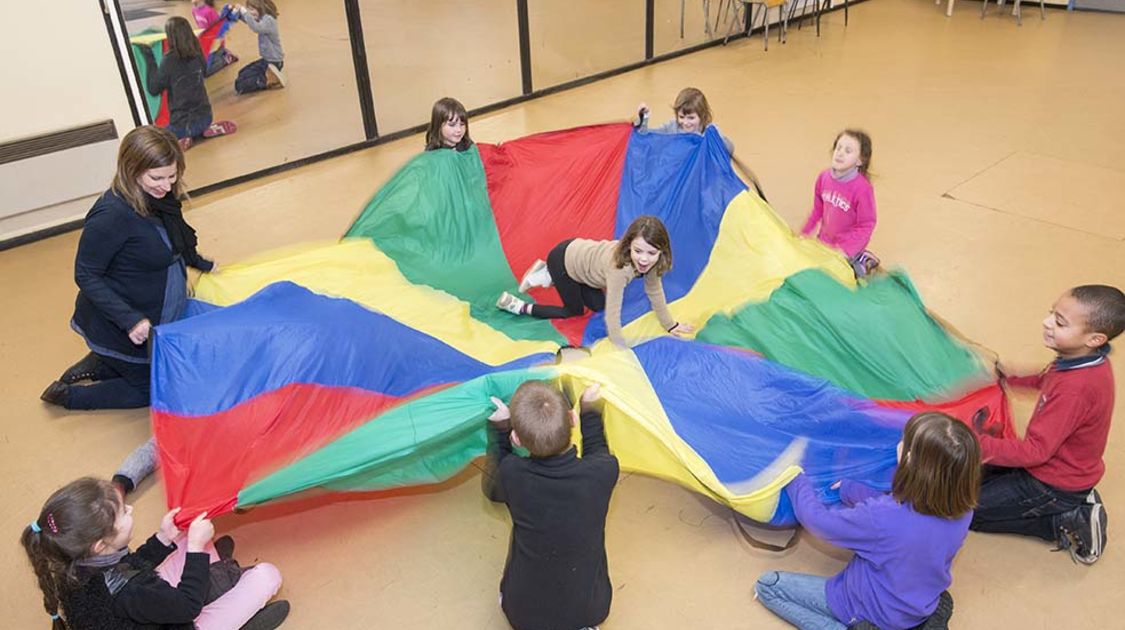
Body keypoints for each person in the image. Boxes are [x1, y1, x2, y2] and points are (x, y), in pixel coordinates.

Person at [41, 125, 217, 410]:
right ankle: (68, 396)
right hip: (120, 323)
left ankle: (104, 363)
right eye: (157, 177)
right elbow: (85, 273)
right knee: (153, 390)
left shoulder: (161, 198)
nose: (167, 185)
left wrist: (201, 264)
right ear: (131, 170)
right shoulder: (112, 215)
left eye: (173, 175)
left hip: (155, 313)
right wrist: (130, 319)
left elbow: (175, 240)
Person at [756, 412, 979, 630]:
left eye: (904, 441)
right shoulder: (962, 511)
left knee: (768, 585)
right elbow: (901, 511)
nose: (899, 444)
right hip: (918, 606)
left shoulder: (883, 518)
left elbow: (817, 521)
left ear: (910, 459)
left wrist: (796, 478)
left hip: (869, 611)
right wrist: (849, 489)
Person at [970, 284, 1123, 564]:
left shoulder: (1075, 389)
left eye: (1060, 322)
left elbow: (1036, 451)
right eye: (1052, 313)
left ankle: (1067, 520)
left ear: (1094, 338)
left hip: (1052, 483)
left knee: (968, 512)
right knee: (974, 477)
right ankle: (1072, 497)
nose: (1047, 322)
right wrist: (1010, 379)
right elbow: (1046, 381)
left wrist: (974, 441)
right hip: (1056, 466)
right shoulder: (1079, 359)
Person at [20, 477, 288, 629]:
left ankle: (213, 569)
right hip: (180, 619)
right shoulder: (130, 591)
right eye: (124, 512)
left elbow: (131, 565)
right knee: (268, 575)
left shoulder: (73, 562)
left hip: (148, 608)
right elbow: (186, 608)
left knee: (184, 537)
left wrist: (163, 538)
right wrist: (195, 551)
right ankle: (230, 601)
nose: (132, 510)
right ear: (100, 545)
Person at [487, 381, 618, 630]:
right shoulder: (603, 472)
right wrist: (590, 410)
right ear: (572, 419)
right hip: (588, 610)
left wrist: (501, 430)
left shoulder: (514, 476)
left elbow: (496, 483)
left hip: (523, 615)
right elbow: (598, 452)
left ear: (517, 439)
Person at [495, 215, 694, 348]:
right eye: (638, 251)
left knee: (597, 305)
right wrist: (620, 346)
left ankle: (549, 275)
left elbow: (655, 291)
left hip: (584, 265)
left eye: (651, 253)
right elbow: (613, 313)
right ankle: (521, 305)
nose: (644, 259)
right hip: (563, 261)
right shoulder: (619, 268)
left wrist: (670, 325)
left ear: (661, 251)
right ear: (628, 246)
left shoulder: (650, 262)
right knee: (573, 311)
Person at [138, 17, 236, 151]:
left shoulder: (169, 60)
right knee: (194, 119)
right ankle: (201, 131)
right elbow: (205, 72)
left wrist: (149, 57)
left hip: (181, 125)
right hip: (206, 117)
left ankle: (184, 137)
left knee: (155, 137)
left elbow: (154, 88)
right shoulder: (197, 52)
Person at [800, 129, 878, 277]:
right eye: (838, 148)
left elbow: (867, 224)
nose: (840, 153)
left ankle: (861, 259)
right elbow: (817, 210)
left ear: (860, 160)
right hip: (825, 240)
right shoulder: (823, 178)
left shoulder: (862, 189)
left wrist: (846, 250)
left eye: (848, 151)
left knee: (843, 279)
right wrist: (804, 233)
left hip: (848, 245)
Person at [634, 87, 734, 154]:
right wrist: (642, 120)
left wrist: (717, 140)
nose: (685, 123)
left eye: (691, 118)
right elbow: (648, 138)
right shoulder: (673, 127)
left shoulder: (708, 131)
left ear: (702, 116)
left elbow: (729, 149)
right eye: (681, 117)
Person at [233, 0, 286, 94]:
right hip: (266, 60)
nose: (250, 13)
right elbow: (251, 21)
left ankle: (268, 80)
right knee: (242, 73)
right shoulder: (263, 19)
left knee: (240, 85)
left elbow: (256, 27)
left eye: (252, 9)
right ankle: (269, 76)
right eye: (249, 10)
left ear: (260, 8)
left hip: (273, 61)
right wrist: (239, 14)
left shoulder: (269, 20)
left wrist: (244, 12)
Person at [191, 0, 239, 76]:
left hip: (215, 44)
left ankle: (226, 58)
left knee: (205, 72)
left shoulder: (209, 11)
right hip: (205, 43)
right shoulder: (194, 10)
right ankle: (222, 54)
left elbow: (219, 30)